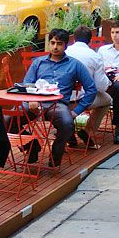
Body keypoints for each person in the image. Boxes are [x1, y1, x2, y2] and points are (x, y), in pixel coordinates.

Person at [23, 28, 96, 166]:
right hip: (35, 102)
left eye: (59, 43)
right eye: (52, 42)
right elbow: (27, 84)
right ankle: (31, 146)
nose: (55, 47)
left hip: (58, 105)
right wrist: (30, 99)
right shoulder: (38, 62)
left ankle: (56, 155)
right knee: (7, 120)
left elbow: (91, 89)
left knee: (68, 124)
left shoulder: (75, 64)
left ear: (66, 45)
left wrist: (77, 111)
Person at [66, 25, 112, 147]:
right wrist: (109, 81)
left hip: (60, 100)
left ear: (74, 39)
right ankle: (87, 130)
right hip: (80, 100)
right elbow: (101, 86)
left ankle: (68, 130)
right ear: (90, 41)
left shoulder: (64, 52)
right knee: (107, 100)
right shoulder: (94, 56)